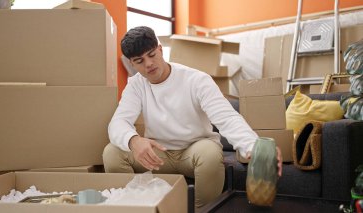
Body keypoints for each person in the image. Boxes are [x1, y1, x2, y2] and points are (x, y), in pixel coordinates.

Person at [103, 26, 283, 208]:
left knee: (210, 154)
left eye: (151, 54)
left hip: (193, 151)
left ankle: (201, 210)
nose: (148, 64)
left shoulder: (196, 80)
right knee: (112, 153)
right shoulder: (135, 85)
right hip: (159, 155)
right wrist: (134, 140)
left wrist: (252, 146)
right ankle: (135, 208)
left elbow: (226, 117)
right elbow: (118, 122)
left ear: (160, 49)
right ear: (131, 64)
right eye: (139, 61)